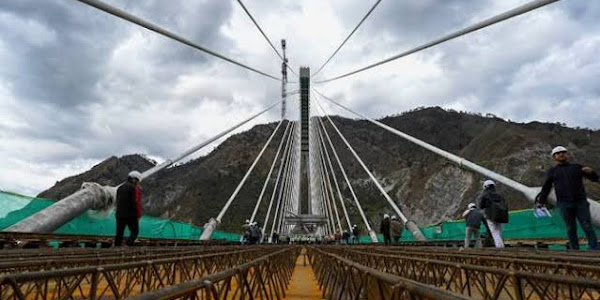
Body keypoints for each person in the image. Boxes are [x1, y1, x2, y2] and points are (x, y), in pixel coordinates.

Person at [537, 146, 599, 250]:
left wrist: (592, 172)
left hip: (580, 201)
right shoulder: (552, 171)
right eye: (558, 153)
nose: (561, 154)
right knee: (570, 228)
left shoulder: (577, 167)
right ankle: (575, 250)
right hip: (564, 203)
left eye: (563, 152)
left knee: (587, 225)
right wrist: (541, 202)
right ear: (554, 157)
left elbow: (594, 179)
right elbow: (546, 187)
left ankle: (594, 248)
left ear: (567, 154)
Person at [115, 170, 142, 246]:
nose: (138, 183)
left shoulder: (119, 188)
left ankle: (116, 247)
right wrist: (138, 214)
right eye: (138, 181)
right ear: (134, 179)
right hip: (131, 215)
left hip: (119, 214)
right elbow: (136, 202)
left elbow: (117, 201)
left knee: (119, 233)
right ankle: (128, 245)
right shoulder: (135, 188)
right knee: (135, 232)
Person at [478, 180, 508, 248]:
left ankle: (499, 246)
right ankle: (501, 245)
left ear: (485, 186)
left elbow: (481, 206)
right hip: (501, 215)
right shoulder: (500, 194)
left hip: (490, 215)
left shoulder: (485, 194)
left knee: (494, 231)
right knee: (499, 231)